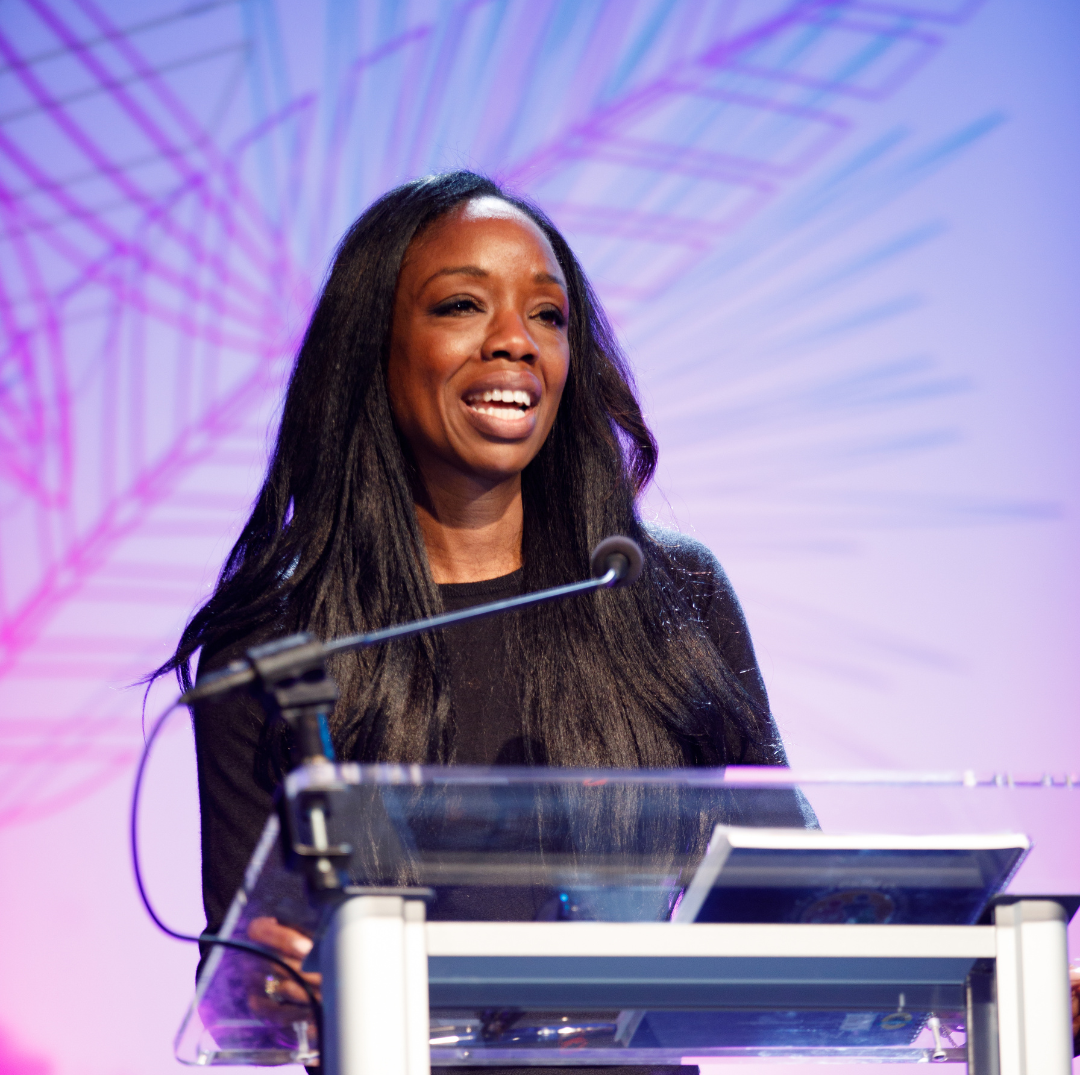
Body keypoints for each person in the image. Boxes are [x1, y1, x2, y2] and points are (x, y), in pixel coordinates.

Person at [158, 171, 800, 1074]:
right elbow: (242, 989)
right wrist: (271, 986)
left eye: (548, 317)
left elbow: (805, 895)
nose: (516, 343)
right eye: (464, 305)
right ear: (372, 348)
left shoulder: (662, 594)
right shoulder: (278, 646)